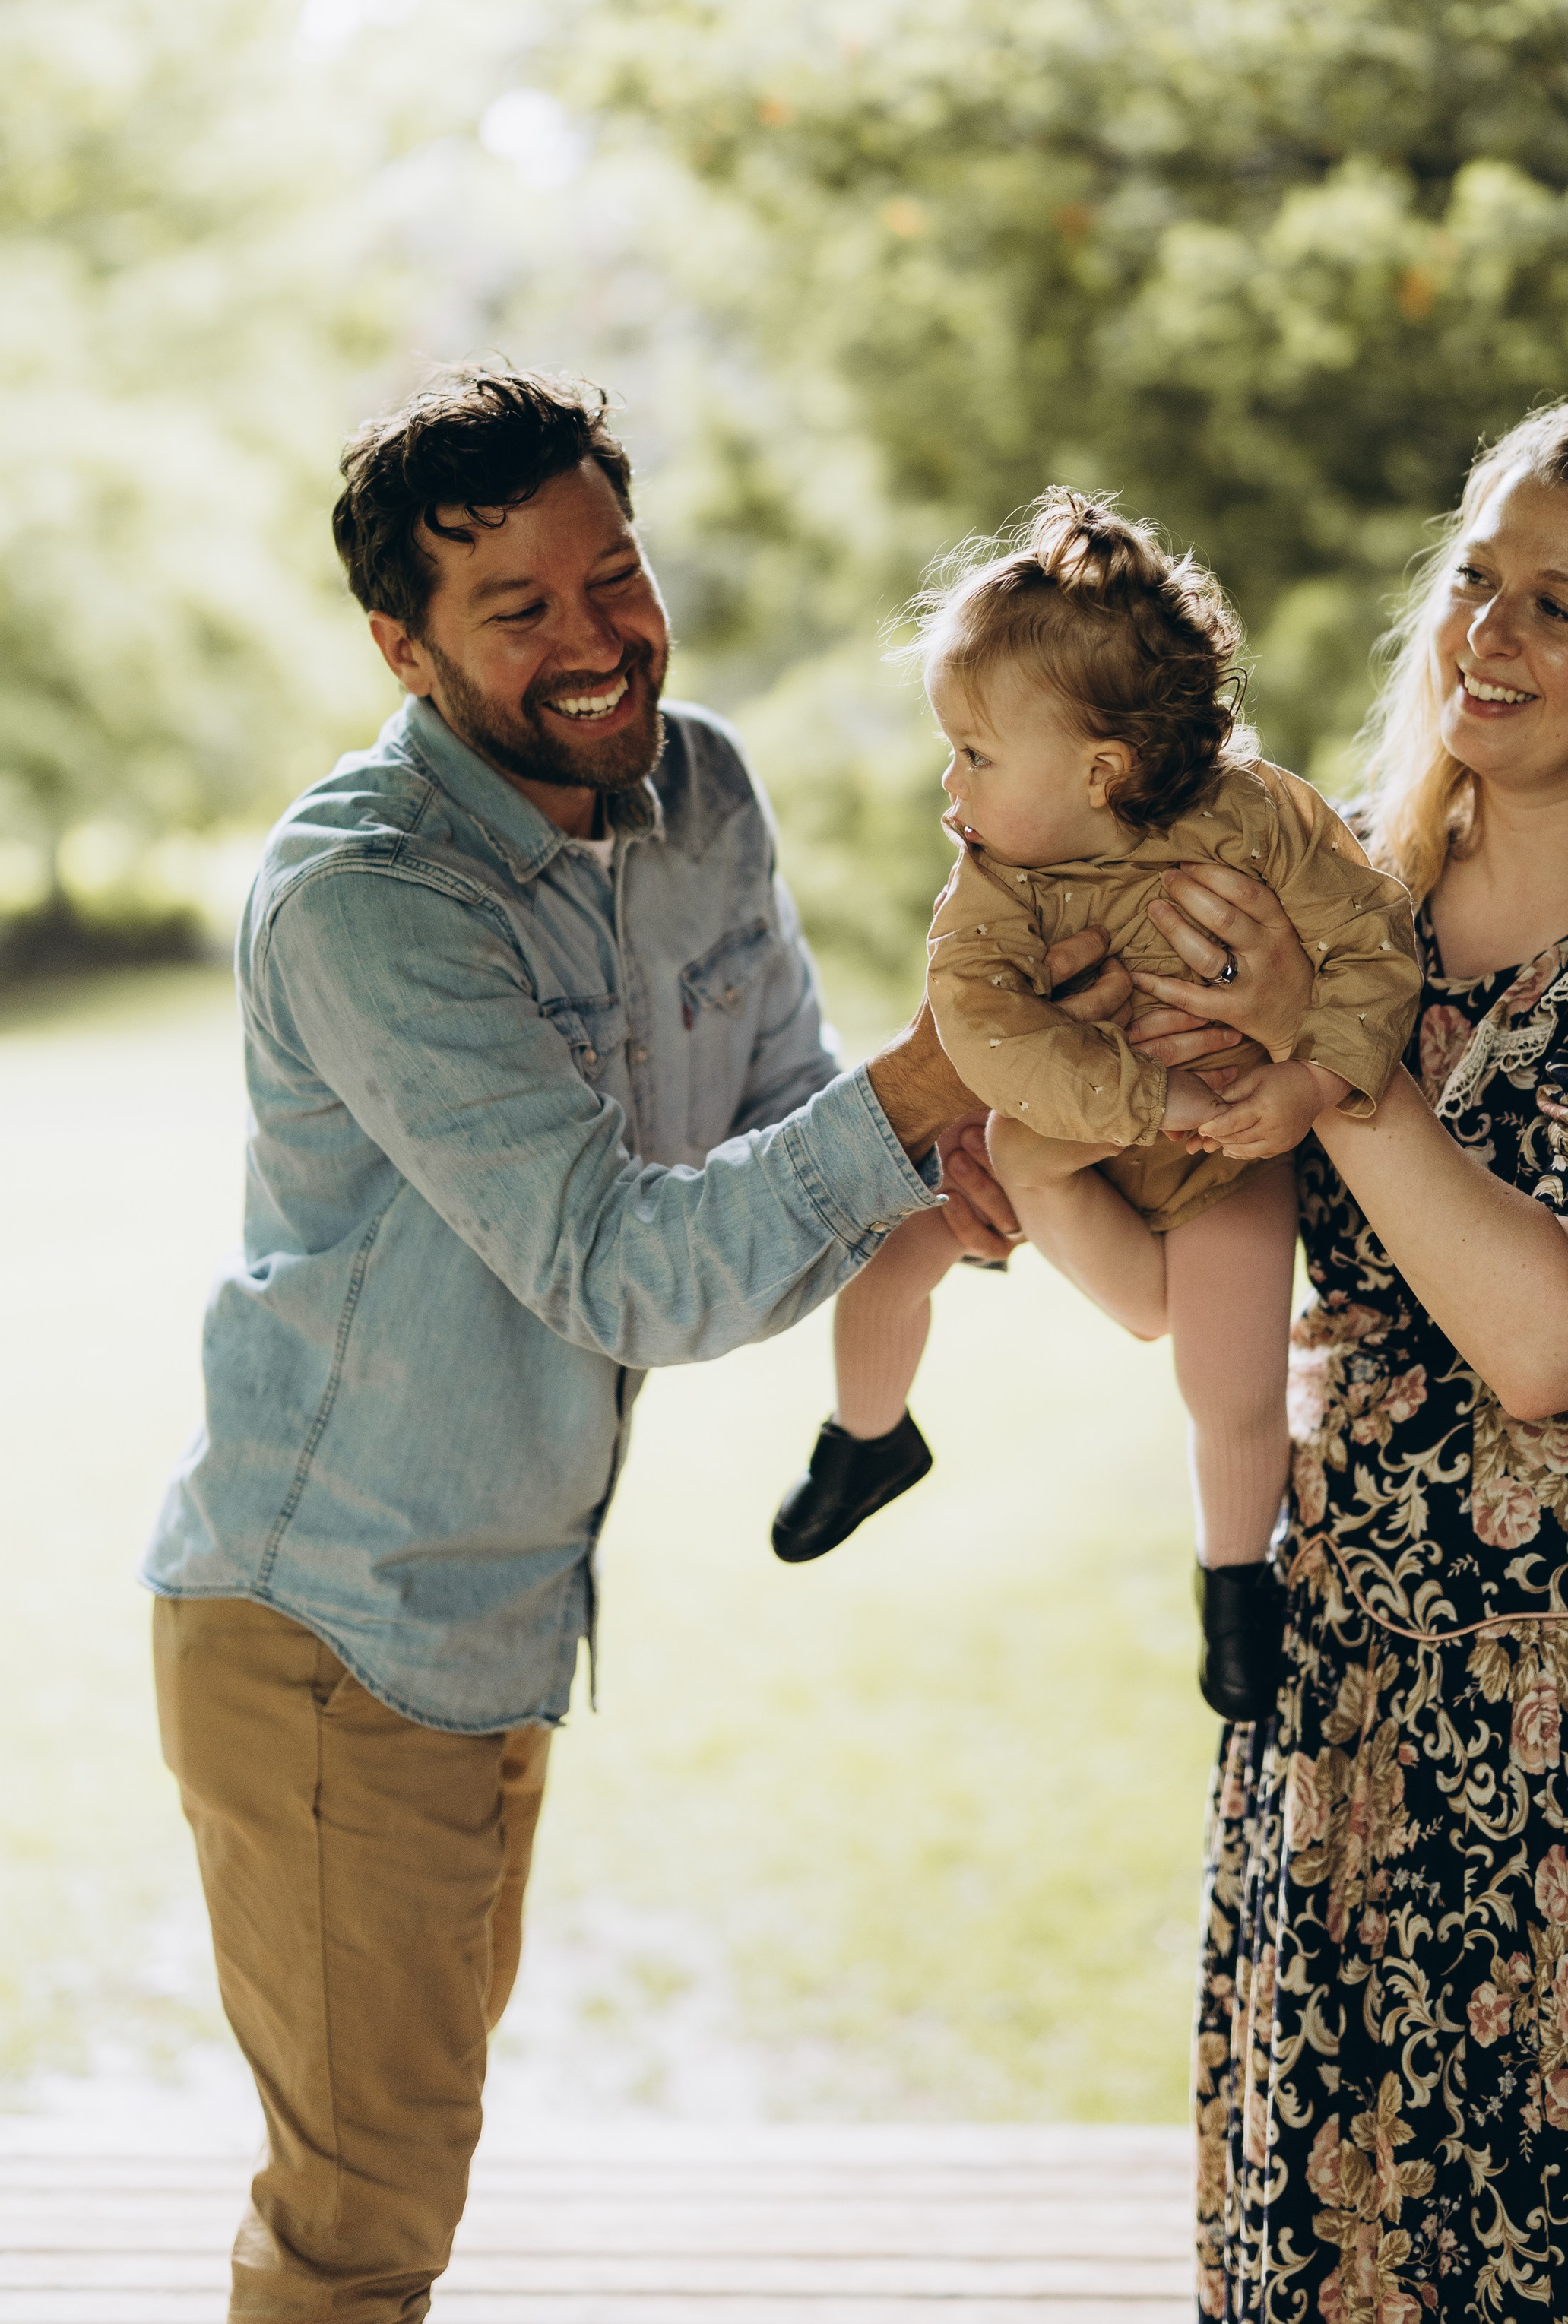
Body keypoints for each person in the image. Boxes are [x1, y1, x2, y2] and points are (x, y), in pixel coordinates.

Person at [138, 364, 1075, 2324]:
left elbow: (786, 1109)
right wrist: (917, 1093)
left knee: (397, 2176)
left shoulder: (701, 789)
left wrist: (935, 1164)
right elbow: (625, 1268)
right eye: (521, 609)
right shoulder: (367, 898)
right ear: (402, 648)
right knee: (358, 2221)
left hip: (493, 1620)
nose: (595, 641)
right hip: (329, 1632)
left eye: (612, 577)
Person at [1117, 397, 1568, 2323]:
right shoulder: (1335, 898)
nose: (1485, 635)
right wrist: (1008, 1172)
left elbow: (1547, 1338)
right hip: (1342, 1666)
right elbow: (1186, 1284)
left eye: (1556, 604)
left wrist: (1335, 1059)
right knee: (1338, 2219)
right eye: (1471, 580)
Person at [770, 489, 1420, 1720]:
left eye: (973, 754)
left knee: (1227, 1378)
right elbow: (978, 1018)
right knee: (887, 1245)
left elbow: (1375, 939)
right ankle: (866, 1437)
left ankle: (1237, 1590)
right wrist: (1142, 1091)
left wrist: (1308, 1079)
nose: (948, 789)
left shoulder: (1262, 821)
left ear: (1102, 770)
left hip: (1233, 1142)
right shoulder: (996, 882)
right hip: (1069, 1138)